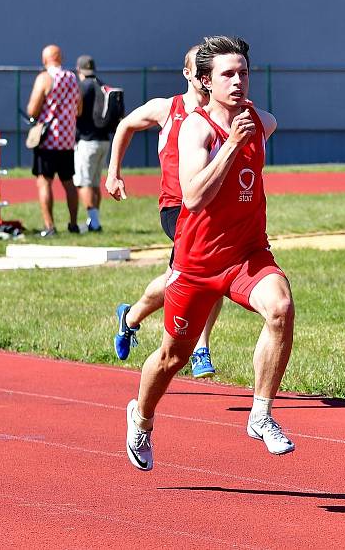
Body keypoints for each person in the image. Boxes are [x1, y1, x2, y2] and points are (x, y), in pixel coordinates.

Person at [126, 36, 295, 472]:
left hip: (248, 253)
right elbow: (195, 197)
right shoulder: (196, 128)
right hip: (198, 263)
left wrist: (247, 136)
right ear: (207, 80)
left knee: (280, 308)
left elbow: (269, 123)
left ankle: (261, 414)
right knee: (172, 357)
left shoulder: (259, 119)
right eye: (228, 74)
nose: (239, 81)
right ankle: (141, 419)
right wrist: (233, 146)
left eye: (244, 72)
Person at [105, 45, 222, 378]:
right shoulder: (167, 108)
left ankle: (130, 317)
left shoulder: (221, 112)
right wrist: (114, 172)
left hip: (213, 207)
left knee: (182, 278)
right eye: (199, 69)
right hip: (176, 207)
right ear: (188, 74)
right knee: (209, 272)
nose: (205, 75)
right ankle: (201, 349)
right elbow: (125, 126)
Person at [26, 45, 81, 237]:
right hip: (67, 140)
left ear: (45, 59)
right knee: (69, 183)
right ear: (61, 57)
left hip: (48, 140)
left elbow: (32, 109)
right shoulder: (72, 78)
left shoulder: (44, 78)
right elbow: (79, 109)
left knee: (44, 182)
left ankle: (49, 226)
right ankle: (73, 224)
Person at [74, 55, 111, 232]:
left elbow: (76, 111)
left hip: (87, 141)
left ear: (78, 69)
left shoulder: (81, 87)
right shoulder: (101, 84)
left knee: (84, 182)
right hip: (104, 140)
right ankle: (94, 220)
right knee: (95, 183)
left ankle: (94, 223)